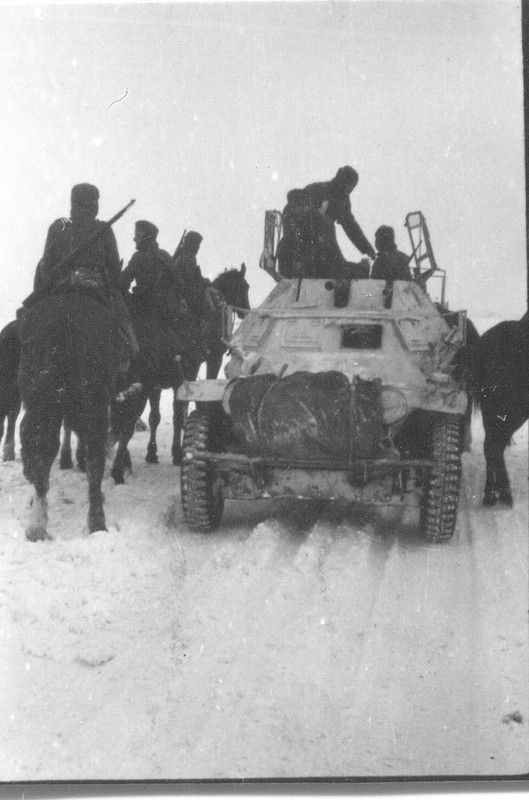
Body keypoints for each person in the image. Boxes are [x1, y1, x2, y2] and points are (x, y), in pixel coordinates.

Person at [33, 182, 138, 377]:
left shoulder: (58, 226)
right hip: (95, 290)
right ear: (92, 203)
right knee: (124, 326)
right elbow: (115, 270)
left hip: (60, 290)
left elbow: (45, 265)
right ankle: (127, 357)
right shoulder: (103, 228)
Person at [277, 189, 369, 280]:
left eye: (301, 206)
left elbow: (330, 251)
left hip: (324, 262)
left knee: (337, 267)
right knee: (283, 246)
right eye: (294, 207)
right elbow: (289, 240)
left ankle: (361, 269)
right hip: (305, 264)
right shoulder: (290, 218)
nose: (297, 210)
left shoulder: (322, 222)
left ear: (308, 206)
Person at [303, 166, 376, 260]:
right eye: (348, 186)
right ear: (341, 181)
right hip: (307, 238)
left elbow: (351, 227)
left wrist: (368, 250)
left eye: (352, 187)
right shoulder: (317, 190)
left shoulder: (343, 201)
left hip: (324, 238)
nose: (349, 190)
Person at [121, 220, 181, 323]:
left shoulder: (139, 257)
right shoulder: (165, 256)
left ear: (146, 237)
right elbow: (179, 284)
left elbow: (122, 283)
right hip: (168, 313)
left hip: (144, 310)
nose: (134, 239)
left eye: (138, 236)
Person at [172, 230, 210, 319]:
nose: (198, 247)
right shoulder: (189, 257)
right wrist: (204, 281)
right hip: (185, 290)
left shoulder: (182, 254)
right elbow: (190, 276)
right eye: (197, 244)